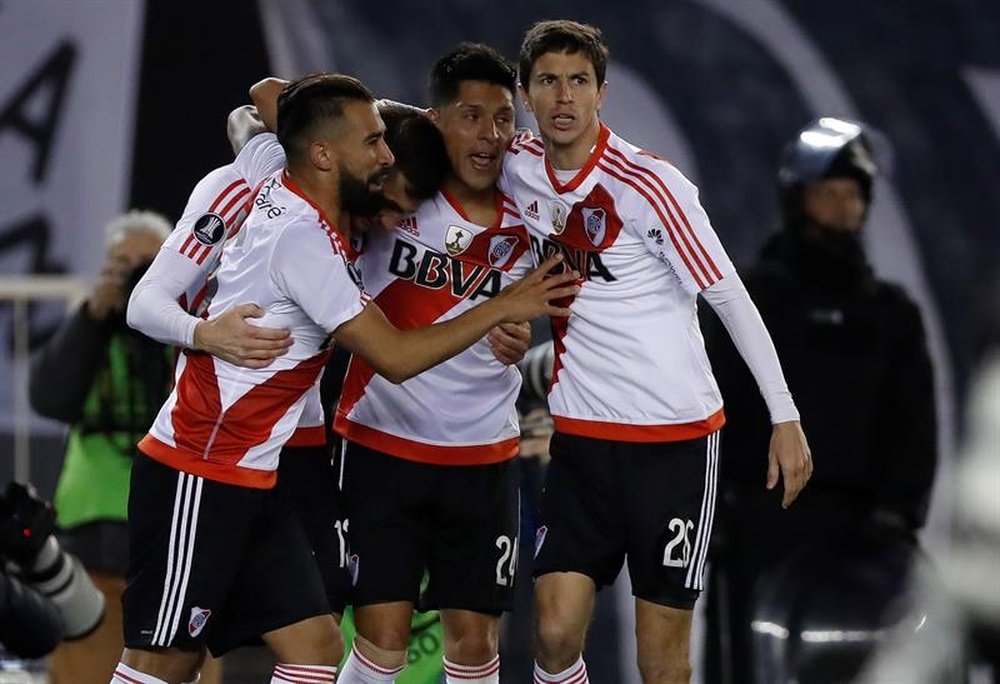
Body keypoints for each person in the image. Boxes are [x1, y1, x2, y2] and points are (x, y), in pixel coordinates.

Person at [116, 72, 575, 684]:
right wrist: (204, 333)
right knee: (165, 662)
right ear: (327, 155)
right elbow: (396, 356)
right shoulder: (301, 236)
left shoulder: (297, 185)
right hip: (203, 465)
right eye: (375, 152)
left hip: (268, 468)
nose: (384, 168)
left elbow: (262, 119)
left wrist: (441, 123)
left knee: (316, 647)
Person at [501, 20, 813, 683]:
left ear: (601, 94)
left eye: (578, 82)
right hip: (581, 442)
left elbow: (728, 297)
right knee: (552, 636)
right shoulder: (515, 168)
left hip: (673, 443)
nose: (564, 97)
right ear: (526, 95)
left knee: (660, 658)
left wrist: (784, 416)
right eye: (548, 81)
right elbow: (420, 142)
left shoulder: (649, 184)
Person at [703, 118, 938, 682]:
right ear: (797, 199)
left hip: (862, 538)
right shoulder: (749, 297)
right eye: (827, 192)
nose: (841, 205)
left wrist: (895, 515)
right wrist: (721, 506)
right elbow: (713, 401)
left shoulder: (892, 315)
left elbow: (914, 426)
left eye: (853, 194)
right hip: (760, 525)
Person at [329, 44, 533, 684]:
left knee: (475, 649)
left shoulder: (534, 208)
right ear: (436, 119)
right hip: (380, 445)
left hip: (483, 459)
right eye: (470, 116)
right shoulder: (396, 181)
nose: (490, 135)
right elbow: (275, 98)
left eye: (503, 119)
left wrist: (519, 339)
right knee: (381, 646)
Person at [28, 211, 225, 684]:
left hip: (177, 532)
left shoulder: (193, 331)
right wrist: (92, 317)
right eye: (123, 264)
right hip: (93, 537)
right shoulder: (91, 334)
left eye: (148, 263)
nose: (135, 273)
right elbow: (50, 398)